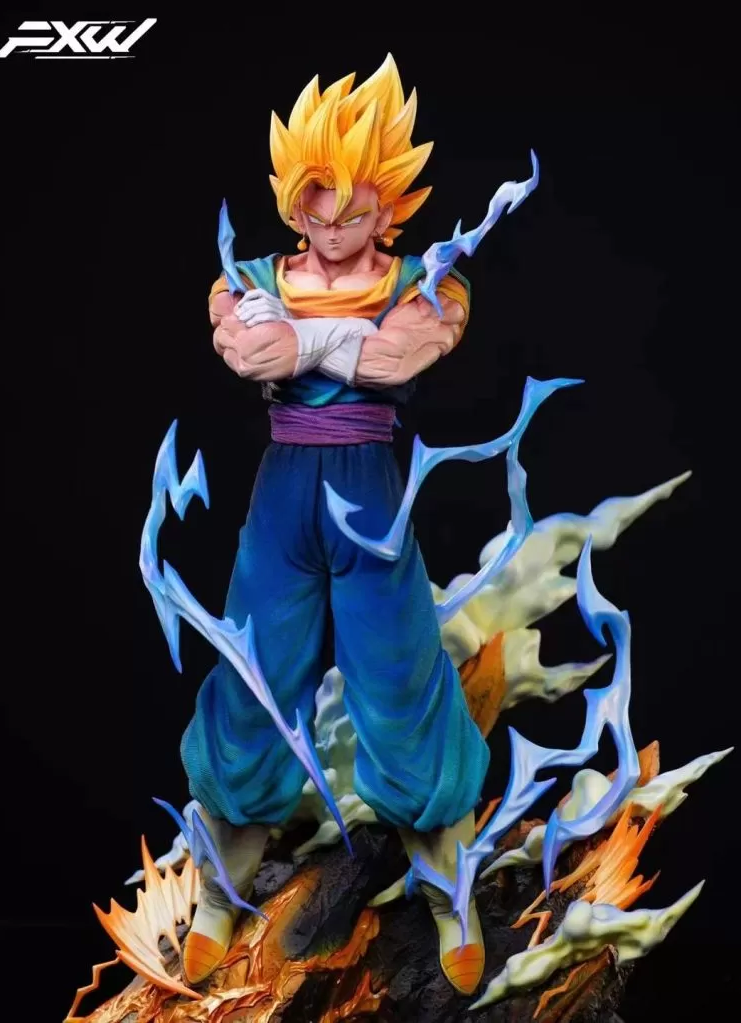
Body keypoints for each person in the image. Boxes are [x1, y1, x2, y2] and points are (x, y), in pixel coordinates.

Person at [179, 54, 491, 996]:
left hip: (369, 495)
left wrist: (308, 337)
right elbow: (247, 352)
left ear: (387, 205)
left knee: (400, 684)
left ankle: (450, 887)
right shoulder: (243, 277)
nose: (327, 228)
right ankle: (220, 887)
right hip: (283, 494)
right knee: (252, 684)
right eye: (312, 207)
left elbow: (398, 361)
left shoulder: (431, 280)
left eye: (348, 212)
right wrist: (333, 335)